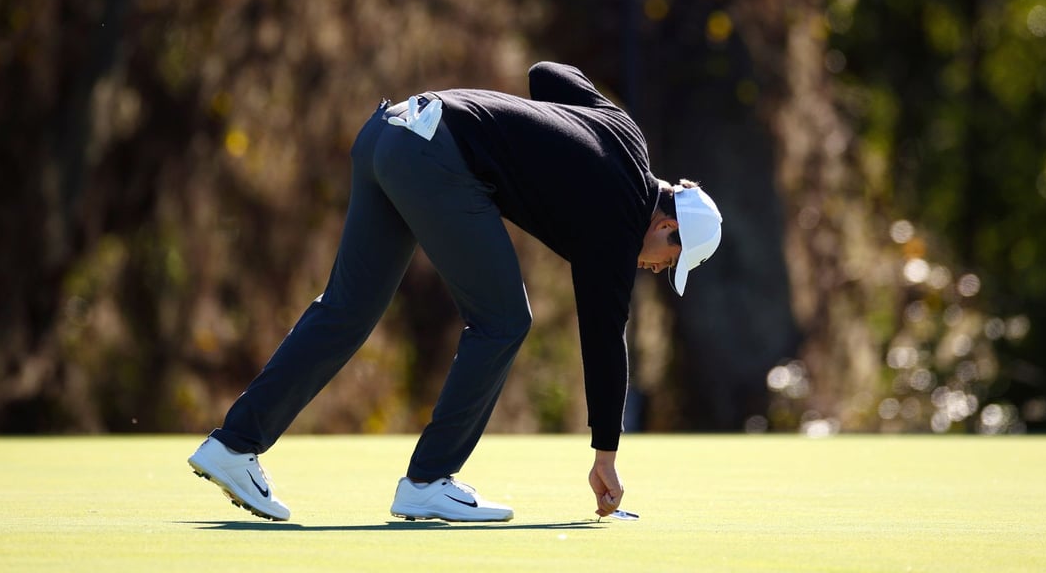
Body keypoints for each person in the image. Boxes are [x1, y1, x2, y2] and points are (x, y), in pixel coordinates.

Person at [188, 61, 723, 522]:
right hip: (433, 157)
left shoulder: (627, 134)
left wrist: (557, 142)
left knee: (347, 310)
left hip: (390, 131)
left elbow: (546, 74)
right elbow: (606, 339)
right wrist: (606, 454)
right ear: (667, 227)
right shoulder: (620, 220)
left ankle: (234, 446)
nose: (655, 269)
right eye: (669, 261)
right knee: (504, 321)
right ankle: (428, 481)